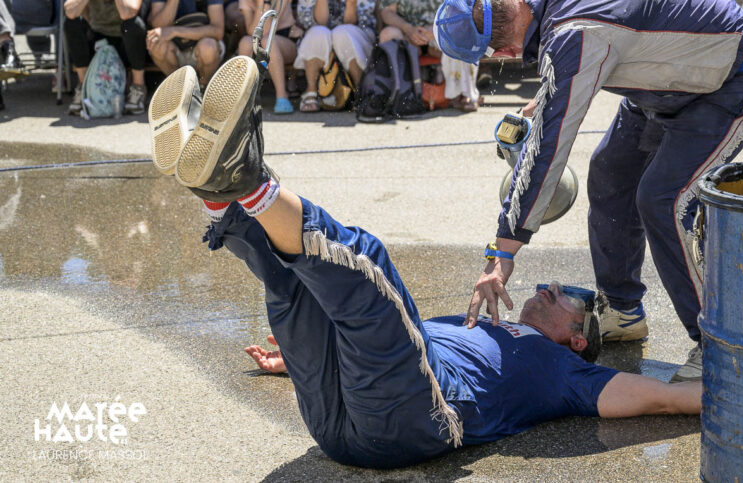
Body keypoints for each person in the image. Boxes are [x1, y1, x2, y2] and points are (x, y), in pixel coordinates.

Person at [145, 54, 702, 467]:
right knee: (297, 287)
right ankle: (215, 190)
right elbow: (377, 343)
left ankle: (244, 177)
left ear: (577, 339)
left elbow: (656, 398)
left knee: (365, 264)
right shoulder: (484, 326)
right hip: (336, 417)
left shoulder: (568, 372)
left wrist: (718, 397)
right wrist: (297, 360)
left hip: (414, 419)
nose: (550, 287)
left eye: (569, 297)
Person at [434, 0, 743, 382]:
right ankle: (623, 308)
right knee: (609, 174)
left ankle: (718, 345)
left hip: (735, 77)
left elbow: (550, 148)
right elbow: (612, 33)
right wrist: (549, 96)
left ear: (502, 51)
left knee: (665, 200)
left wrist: (502, 251)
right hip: (665, 77)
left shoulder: (576, 33)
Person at [63, 0, 148, 115]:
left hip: (125, 42)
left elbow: (128, 13)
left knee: (133, 24)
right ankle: (83, 85)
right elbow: (70, 11)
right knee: (72, 22)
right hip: (97, 38)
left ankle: (138, 86)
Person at [294, 0, 378, 112]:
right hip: (321, 34)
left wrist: (351, 4)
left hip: (355, 36)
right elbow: (317, 22)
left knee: (342, 32)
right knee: (318, 32)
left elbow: (360, 23)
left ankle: (361, 90)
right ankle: (310, 90)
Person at [237, 0, 297, 115]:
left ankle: (282, 96)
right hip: (261, 38)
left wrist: (267, 0)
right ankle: (243, 98)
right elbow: (252, 31)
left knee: (269, 42)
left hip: (286, 41)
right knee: (245, 42)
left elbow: (268, 29)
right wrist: (261, 2)